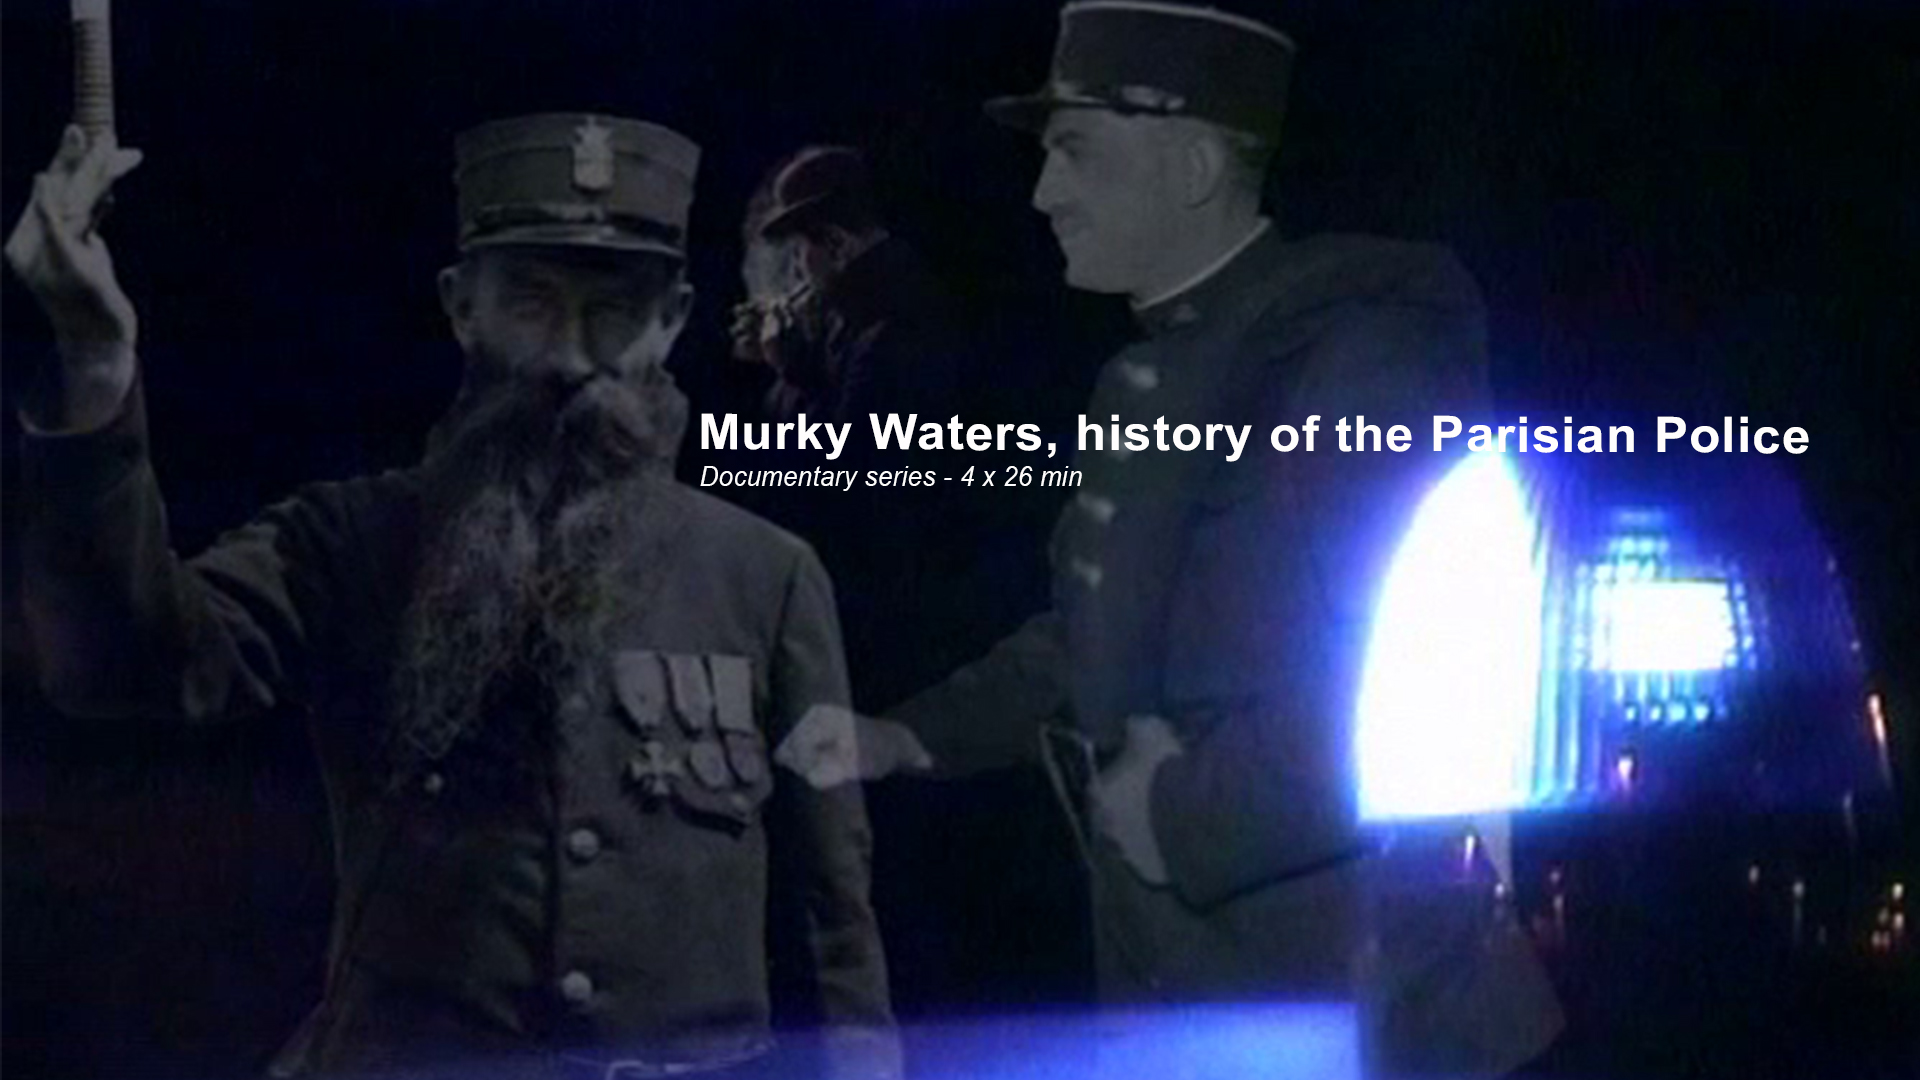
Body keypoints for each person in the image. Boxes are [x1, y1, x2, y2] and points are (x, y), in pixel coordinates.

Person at [8, 113, 900, 1080]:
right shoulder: (348, 544)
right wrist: (95, 367)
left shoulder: (765, 578)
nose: (569, 353)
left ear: (675, 319)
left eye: (614, 309)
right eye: (530, 300)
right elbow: (119, 664)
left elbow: (833, 927)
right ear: (459, 306)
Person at [775, 3, 1562, 1077]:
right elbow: (1086, 635)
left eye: (1076, 152)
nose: (1045, 192)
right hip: (1201, 1003)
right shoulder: (1143, 379)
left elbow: (1429, 681)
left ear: (1192, 164)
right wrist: (908, 737)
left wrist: (1180, 815)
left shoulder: (1357, 356)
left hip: (1361, 1013)